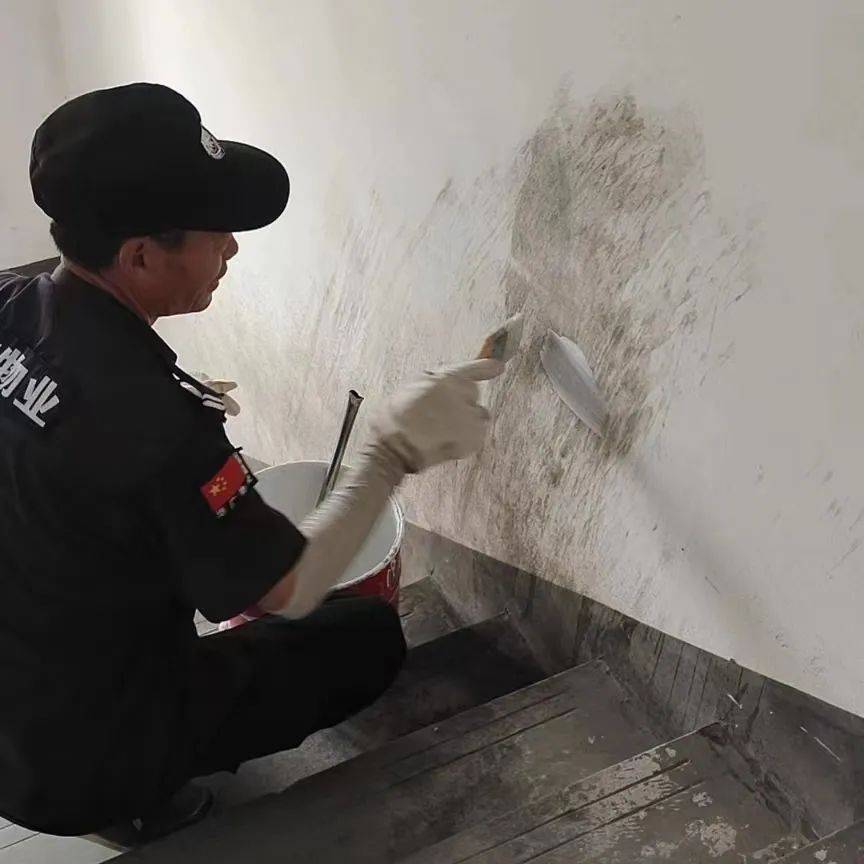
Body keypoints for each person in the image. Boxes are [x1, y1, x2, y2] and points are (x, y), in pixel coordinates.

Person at [0, 83, 505, 845]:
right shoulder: (156, 425)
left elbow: (72, 422)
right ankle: (128, 799)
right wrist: (392, 451)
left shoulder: (11, 303)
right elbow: (287, 593)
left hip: (22, 680)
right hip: (69, 758)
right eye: (216, 234)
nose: (232, 249)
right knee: (363, 636)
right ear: (141, 256)